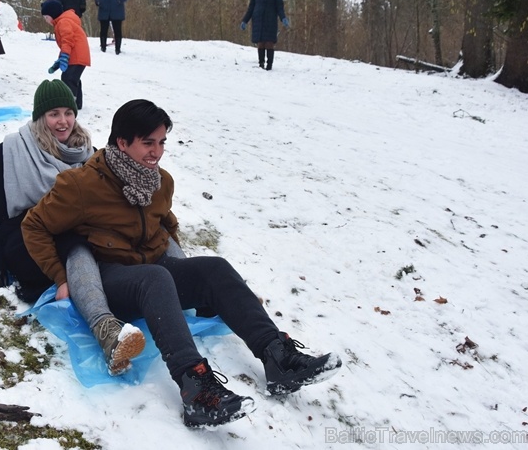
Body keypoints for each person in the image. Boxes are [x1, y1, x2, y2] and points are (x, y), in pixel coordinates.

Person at [21, 100, 343, 428]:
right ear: (122, 142)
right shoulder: (81, 186)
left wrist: (192, 276)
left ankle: (280, 359)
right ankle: (197, 392)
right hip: (112, 279)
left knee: (214, 268)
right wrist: (61, 276)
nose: (156, 152)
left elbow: (166, 223)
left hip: (152, 271)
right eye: (148, 143)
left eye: (161, 143)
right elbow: (34, 226)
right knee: (156, 277)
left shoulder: (161, 182)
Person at [0, 79, 160, 375]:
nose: (63, 121)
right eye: (53, 114)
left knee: (103, 243)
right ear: (40, 117)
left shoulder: (89, 154)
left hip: (78, 235)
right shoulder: (11, 152)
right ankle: (103, 324)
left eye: (68, 113)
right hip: (25, 237)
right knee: (76, 241)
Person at [41, 0, 90, 111]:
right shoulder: (64, 21)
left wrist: (64, 57)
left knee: (68, 78)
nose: (46, 20)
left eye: (46, 17)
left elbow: (67, 41)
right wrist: (60, 59)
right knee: (74, 79)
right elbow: (65, 44)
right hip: (78, 55)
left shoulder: (63, 22)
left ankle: (70, 103)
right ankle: (77, 103)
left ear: (52, 14)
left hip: (76, 56)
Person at [240, 0, 289, 71]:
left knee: (269, 43)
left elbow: (279, 6)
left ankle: (269, 64)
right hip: (257, 20)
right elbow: (251, 7)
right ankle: (261, 63)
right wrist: (245, 20)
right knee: (260, 43)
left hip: (270, 20)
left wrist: (283, 18)